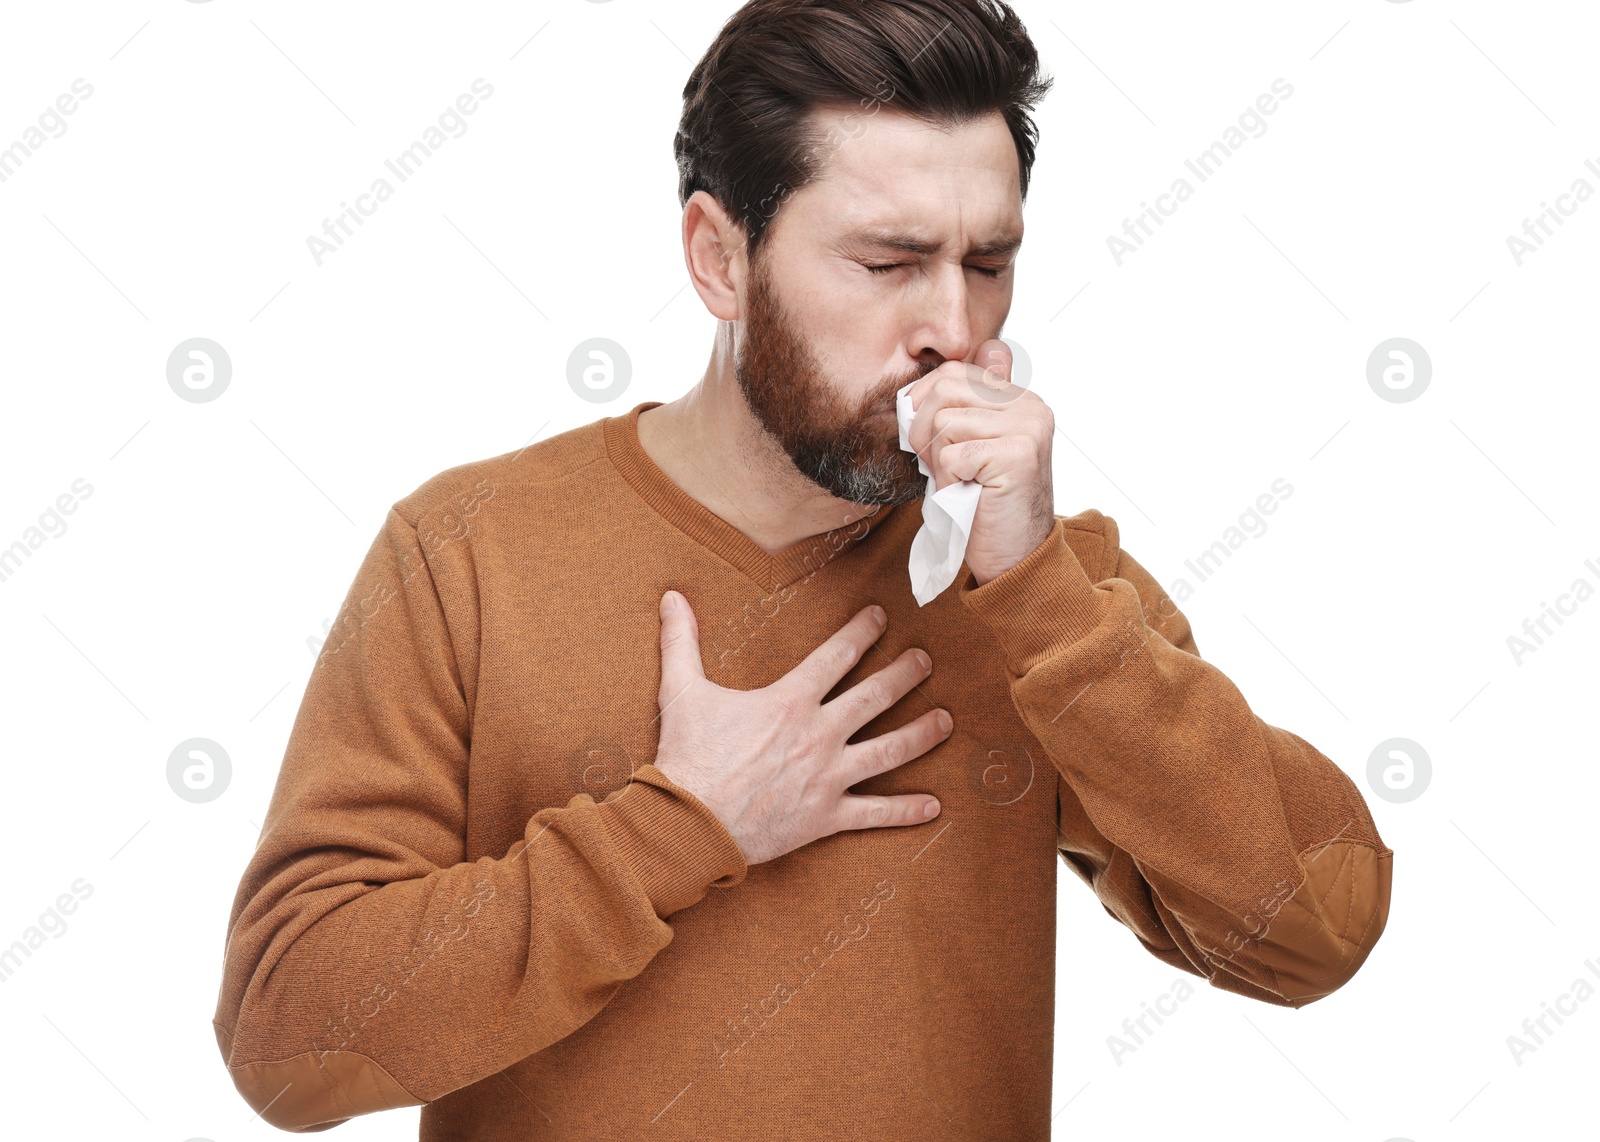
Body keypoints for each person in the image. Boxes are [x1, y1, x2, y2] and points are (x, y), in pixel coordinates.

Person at [212, 1, 1392, 1137]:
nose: (953, 323)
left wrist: (1038, 591)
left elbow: (1315, 931)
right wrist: (679, 827)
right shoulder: (467, 548)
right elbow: (284, 1040)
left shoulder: (1038, 586)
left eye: (987, 261)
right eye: (887, 262)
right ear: (720, 259)